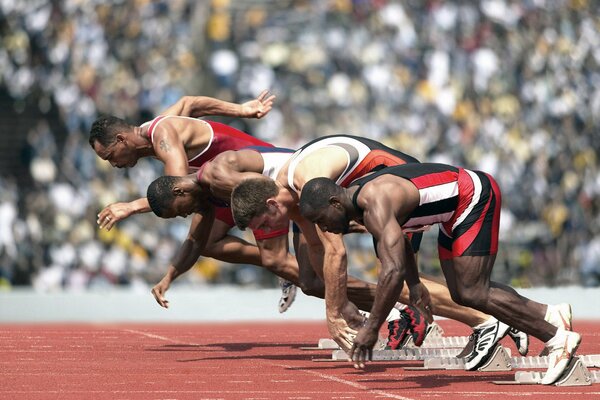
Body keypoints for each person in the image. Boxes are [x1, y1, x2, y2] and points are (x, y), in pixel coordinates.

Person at [229, 134, 531, 358]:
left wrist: (334, 314)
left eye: (265, 224)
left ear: (271, 204)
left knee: (394, 274)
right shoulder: (295, 197)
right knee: (310, 280)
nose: (269, 232)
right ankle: (408, 310)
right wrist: (337, 299)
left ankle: (489, 319)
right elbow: (317, 251)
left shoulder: (307, 183)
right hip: (366, 194)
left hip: (401, 189)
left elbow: (336, 251)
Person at [296, 163, 581, 384]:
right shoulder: (358, 204)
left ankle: (558, 339)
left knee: (473, 290)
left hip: (472, 196)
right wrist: (416, 285)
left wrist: (373, 328)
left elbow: (392, 270)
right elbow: (399, 242)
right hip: (451, 212)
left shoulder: (373, 202)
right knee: (461, 292)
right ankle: (549, 314)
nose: (326, 229)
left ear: (335, 203)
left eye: (322, 221)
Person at [88, 91, 296, 312]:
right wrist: (241, 110)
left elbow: (176, 189)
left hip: (258, 176)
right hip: (227, 188)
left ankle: (300, 278)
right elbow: (190, 103)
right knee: (208, 243)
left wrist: (131, 207)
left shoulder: (163, 136)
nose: (113, 164)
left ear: (121, 139)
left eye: (110, 156)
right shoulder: (155, 128)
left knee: (277, 261)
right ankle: (286, 267)